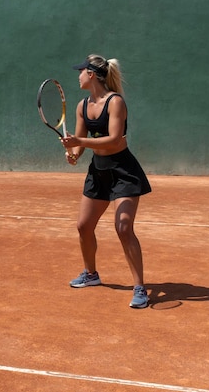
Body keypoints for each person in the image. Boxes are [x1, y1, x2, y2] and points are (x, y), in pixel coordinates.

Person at [60, 54, 152, 308]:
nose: (77, 76)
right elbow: (78, 147)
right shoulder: (82, 106)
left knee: (123, 227)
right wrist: (73, 152)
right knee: (83, 226)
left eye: (80, 71)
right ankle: (91, 274)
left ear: (91, 74)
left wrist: (80, 143)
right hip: (97, 171)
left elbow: (114, 139)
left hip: (123, 170)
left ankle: (140, 288)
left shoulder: (115, 102)